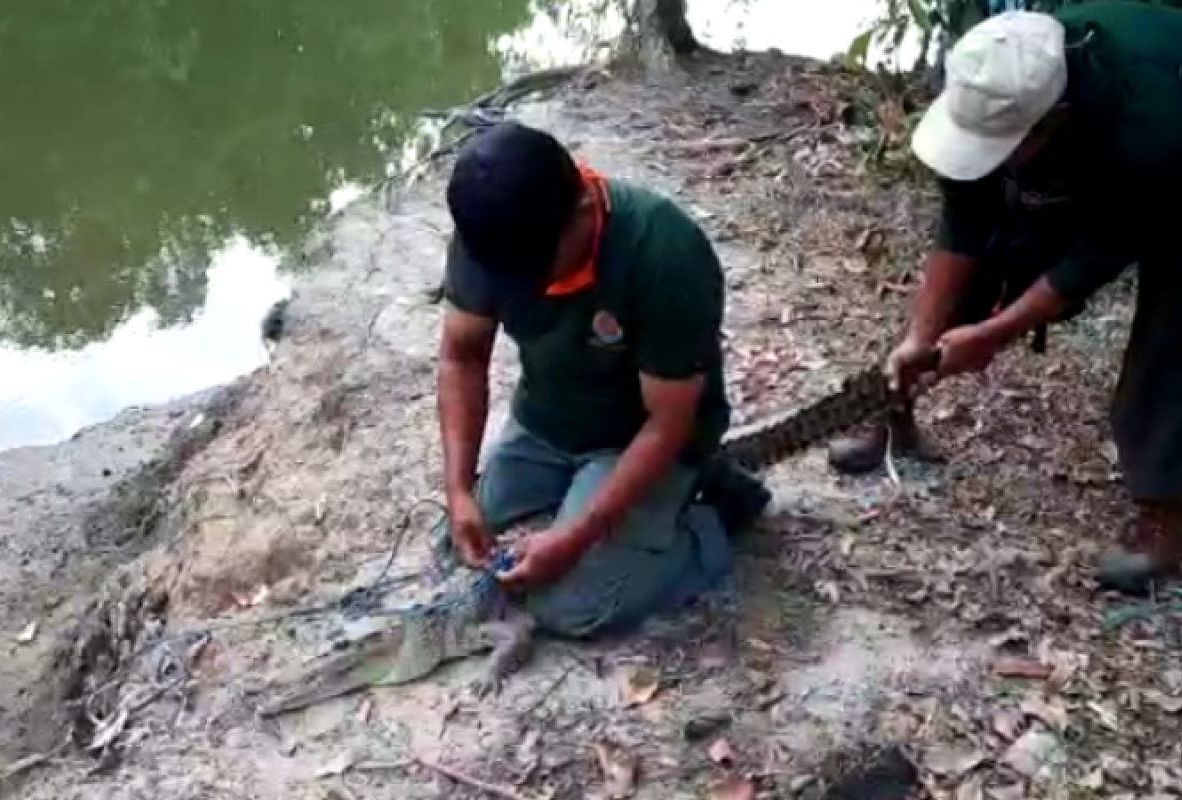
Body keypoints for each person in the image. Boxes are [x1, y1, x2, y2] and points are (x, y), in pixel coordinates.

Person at [833, 2, 1182, 594]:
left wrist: (996, 333)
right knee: (997, 252)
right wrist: (923, 337)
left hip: (1171, 153)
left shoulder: (1151, 126)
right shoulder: (990, 73)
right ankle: (895, 409)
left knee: (1173, 338)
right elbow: (965, 216)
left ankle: (1167, 514)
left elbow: (1097, 254)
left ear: (1055, 121)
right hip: (1096, 137)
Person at [434, 121, 772, 638]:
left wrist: (572, 539)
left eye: (534, 272)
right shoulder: (494, 233)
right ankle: (597, 501)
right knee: (456, 540)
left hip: (641, 437)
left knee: (567, 604)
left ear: (584, 213)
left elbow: (666, 425)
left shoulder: (665, 254)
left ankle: (713, 519)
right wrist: (458, 489)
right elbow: (462, 356)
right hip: (547, 421)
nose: (523, 288)